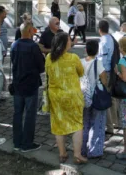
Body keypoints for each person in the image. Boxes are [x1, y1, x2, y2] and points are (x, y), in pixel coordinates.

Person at [45, 32, 88, 164]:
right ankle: (77, 155)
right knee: (77, 124)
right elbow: (81, 72)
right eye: (69, 40)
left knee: (59, 124)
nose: (71, 41)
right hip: (72, 96)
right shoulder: (73, 58)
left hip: (55, 96)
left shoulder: (49, 57)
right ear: (64, 44)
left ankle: (62, 153)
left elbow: (47, 73)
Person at [11, 20, 45, 152]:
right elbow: (41, 66)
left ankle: (17, 141)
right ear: (30, 31)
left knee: (17, 113)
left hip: (18, 83)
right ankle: (27, 143)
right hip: (30, 84)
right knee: (30, 114)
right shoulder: (33, 47)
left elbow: (13, 62)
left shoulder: (14, 45)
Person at [80, 40, 108, 159]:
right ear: (97, 51)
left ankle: (82, 148)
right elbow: (104, 80)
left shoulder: (80, 62)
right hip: (96, 97)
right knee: (97, 123)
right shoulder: (98, 63)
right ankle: (94, 150)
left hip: (83, 96)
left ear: (86, 50)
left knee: (84, 123)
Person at [98, 19, 120, 133]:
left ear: (99, 30)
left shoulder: (103, 42)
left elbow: (102, 60)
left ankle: (109, 126)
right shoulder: (111, 38)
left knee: (105, 98)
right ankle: (116, 122)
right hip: (112, 70)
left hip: (106, 72)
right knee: (112, 97)